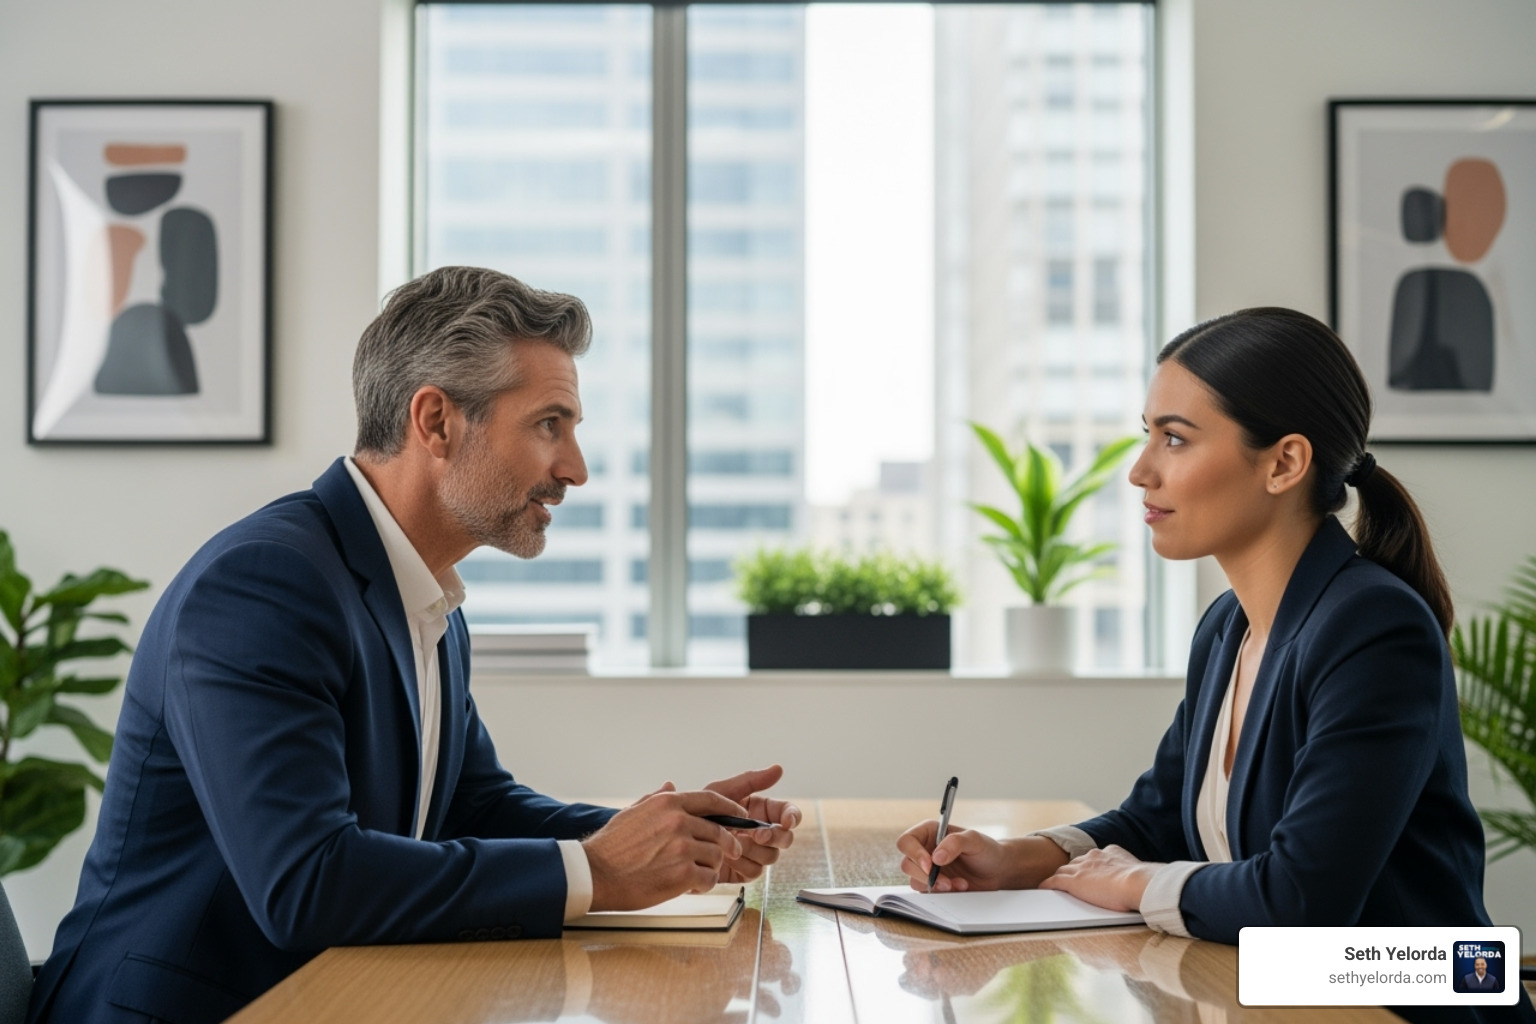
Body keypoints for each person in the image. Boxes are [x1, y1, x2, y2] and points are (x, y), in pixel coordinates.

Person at [26, 266, 800, 1024]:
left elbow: (472, 804)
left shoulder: (424, 593)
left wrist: (666, 836)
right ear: (435, 422)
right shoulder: (264, 584)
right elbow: (307, 883)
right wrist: (598, 869)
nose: (575, 469)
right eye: (548, 424)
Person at [897, 308, 1535, 1024]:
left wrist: (1137, 885)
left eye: (1175, 438)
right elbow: (1157, 818)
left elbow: (1303, 902)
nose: (1140, 470)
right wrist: (1020, 858)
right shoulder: (1228, 626)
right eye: (1148, 434)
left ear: (1284, 463)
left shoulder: (1374, 628)